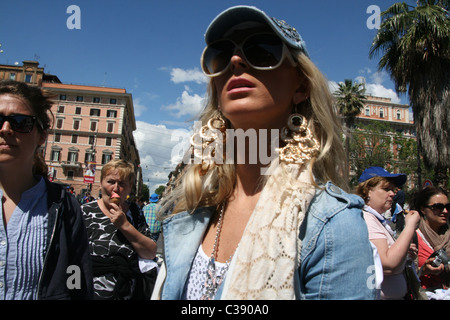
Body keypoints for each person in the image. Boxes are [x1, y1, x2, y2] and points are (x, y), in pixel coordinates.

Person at [152, 5, 377, 300]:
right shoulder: (193, 208)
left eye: (261, 50)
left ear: (301, 87)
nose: (235, 60)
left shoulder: (333, 225)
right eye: (220, 55)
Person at [0, 80, 93, 299]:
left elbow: (76, 272)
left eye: (20, 122)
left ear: (42, 136)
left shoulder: (63, 203)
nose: (5, 129)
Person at [81, 159, 158, 299]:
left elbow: (150, 252)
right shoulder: (84, 212)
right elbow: (69, 258)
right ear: (101, 183)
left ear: (129, 188)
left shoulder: (135, 212)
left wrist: (125, 225)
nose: (115, 189)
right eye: (110, 182)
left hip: (127, 292)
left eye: (122, 184)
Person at [356, 166, 420, 299]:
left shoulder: (377, 219)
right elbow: (388, 264)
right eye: (386, 189)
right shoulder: (366, 218)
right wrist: (410, 226)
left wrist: (404, 253)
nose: (392, 193)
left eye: (393, 189)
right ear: (367, 190)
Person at [409, 186, 449, 291]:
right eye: (438, 207)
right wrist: (424, 270)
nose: (445, 211)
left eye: (448, 206)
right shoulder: (412, 237)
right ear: (423, 209)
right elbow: (402, 274)